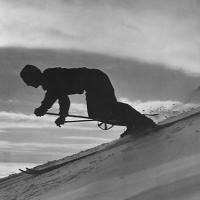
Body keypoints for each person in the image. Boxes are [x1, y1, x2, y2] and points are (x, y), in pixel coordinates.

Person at [20, 65, 156, 136]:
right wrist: (44, 109)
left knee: (106, 108)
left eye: (27, 81)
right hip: (94, 81)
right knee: (98, 113)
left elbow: (63, 99)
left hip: (94, 80)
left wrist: (61, 115)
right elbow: (52, 96)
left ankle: (143, 122)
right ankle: (133, 123)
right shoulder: (50, 80)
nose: (27, 84)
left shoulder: (51, 77)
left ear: (34, 77)